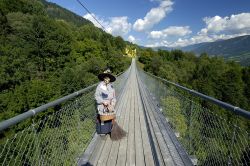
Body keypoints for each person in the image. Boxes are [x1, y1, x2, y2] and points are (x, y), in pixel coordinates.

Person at [95, 69, 116, 135]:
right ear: (103, 78)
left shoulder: (111, 86)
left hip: (110, 105)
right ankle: (103, 131)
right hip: (102, 105)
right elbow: (96, 96)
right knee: (103, 118)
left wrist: (112, 104)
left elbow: (114, 97)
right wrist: (103, 101)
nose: (107, 79)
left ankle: (109, 129)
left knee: (110, 116)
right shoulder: (100, 86)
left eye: (108, 78)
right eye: (106, 77)